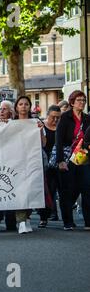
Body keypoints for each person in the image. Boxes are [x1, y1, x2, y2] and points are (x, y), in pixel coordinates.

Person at [56, 90, 90, 231]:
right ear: (72, 102)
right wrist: (60, 160)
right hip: (68, 157)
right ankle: (68, 221)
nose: (82, 102)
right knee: (68, 190)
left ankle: (88, 222)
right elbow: (58, 139)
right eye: (79, 100)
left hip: (83, 156)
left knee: (87, 189)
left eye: (83, 100)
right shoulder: (65, 117)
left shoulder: (87, 118)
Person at [13, 96, 46, 233]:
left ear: (30, 106)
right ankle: (20, 221)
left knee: (31, 189)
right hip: (15, 161)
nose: (23, 106)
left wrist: (39, 130)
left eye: (26, 104)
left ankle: (26, 217)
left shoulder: (36, 122)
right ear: (16, 107)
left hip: (32, 161)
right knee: (19, 190)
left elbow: (44, 143)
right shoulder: (11, 123)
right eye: (20, 104)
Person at [41, 105, 62, 224]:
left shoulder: (61, 127)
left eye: (58, 118)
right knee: (48, 189)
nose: (55, 120)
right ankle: (44, 217)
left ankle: (62, 216)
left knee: (61, 189)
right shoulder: (42, 126)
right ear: (47, 115)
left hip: (59, 161)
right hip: (45, 162)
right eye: (53, 117)